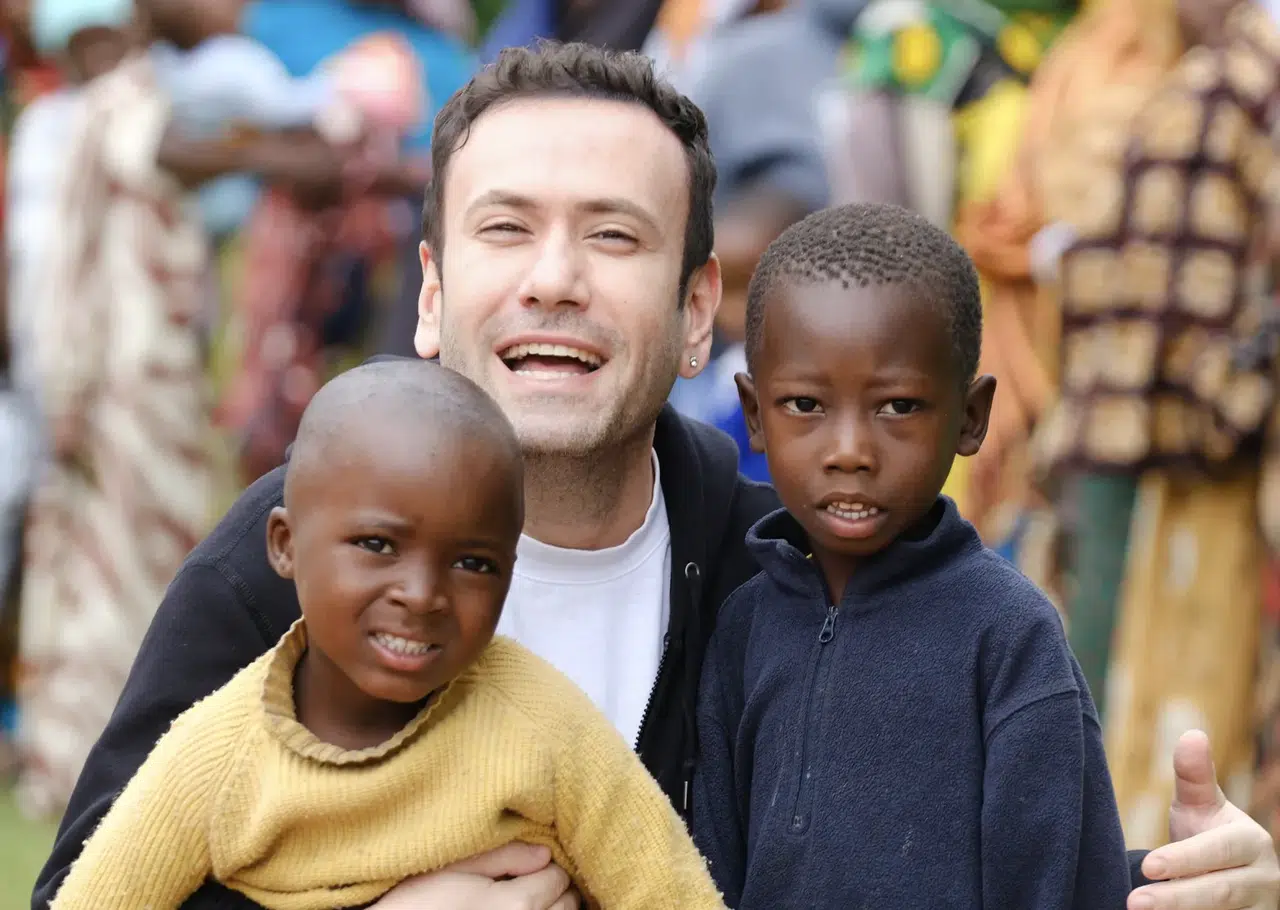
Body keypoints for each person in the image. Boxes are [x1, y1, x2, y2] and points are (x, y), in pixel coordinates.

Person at [32, 41, 1280, 910]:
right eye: (506, 227)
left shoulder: (788, 570)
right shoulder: (295, 556)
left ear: (696, 316)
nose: (555, 277)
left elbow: (919, 852)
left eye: (613, 234)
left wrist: (1175, 882)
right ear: (431, 294)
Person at [47, 359, 726, 910]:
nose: (422, 595)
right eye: (377, 545)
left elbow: (672, 893)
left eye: (472, 563)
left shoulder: (545, 727)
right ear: (284, 545)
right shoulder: (214, 758)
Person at [690, 202, 1130, 907]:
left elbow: (1060, 883)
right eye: (804, 405)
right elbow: (704, 880)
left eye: (897, 407)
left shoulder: (1009, 639)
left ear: (970, 418)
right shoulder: (742, 629)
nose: (849, 452)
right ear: (754, 415)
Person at [1035, 0, 1280, 849]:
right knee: (1131, 709)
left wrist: (1229, 405)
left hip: (1178, 456)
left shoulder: (1235, 79)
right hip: (1149, 454)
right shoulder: (1220, 76)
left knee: (1159, 720)